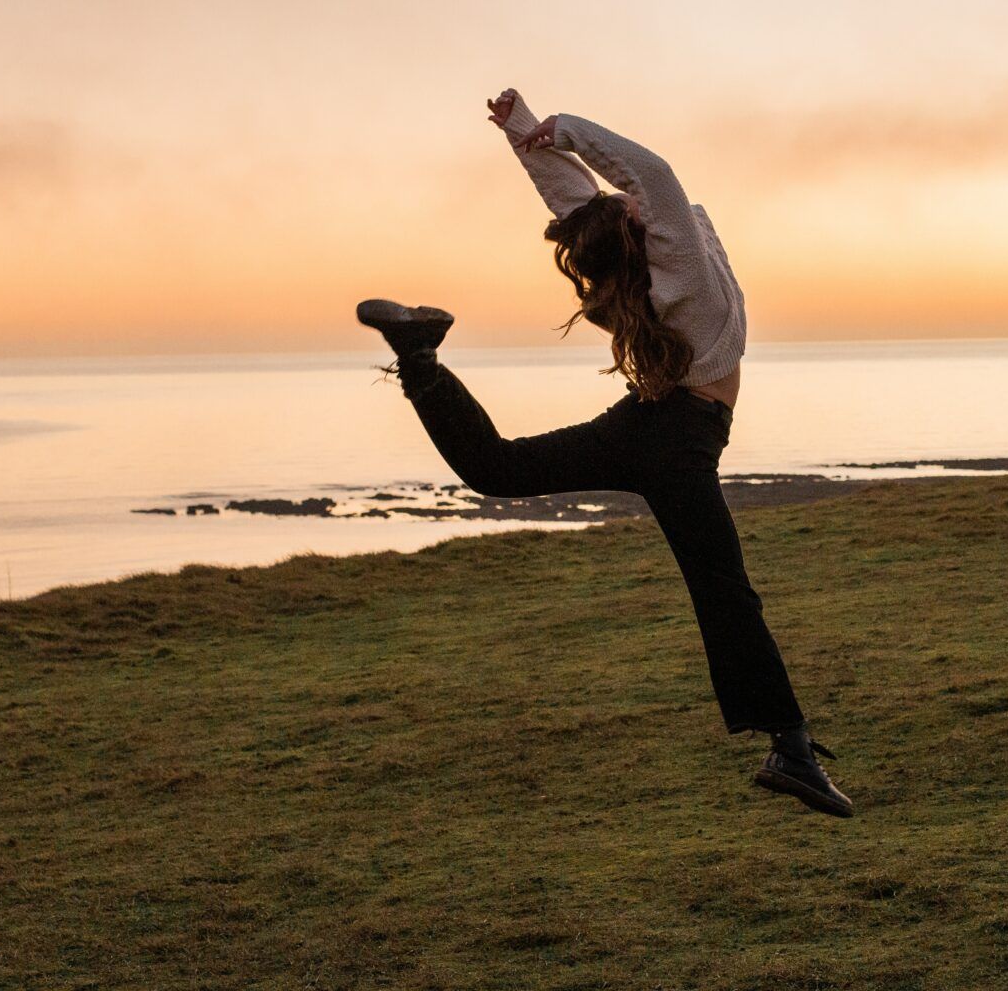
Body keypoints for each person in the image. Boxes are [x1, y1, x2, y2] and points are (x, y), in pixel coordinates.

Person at [354, 87, 853, 817]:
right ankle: (793, 752)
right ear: (641, 230)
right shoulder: (682, 277)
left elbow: (586, 206)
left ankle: (420, 355)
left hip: (650, 429)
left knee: (497, 467)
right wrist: (568, 130)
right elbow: (654, 175)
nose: (630, 200)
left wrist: (526, 131)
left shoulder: (642, 269)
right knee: (725, 592)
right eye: (629, 206)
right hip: (676, 441)